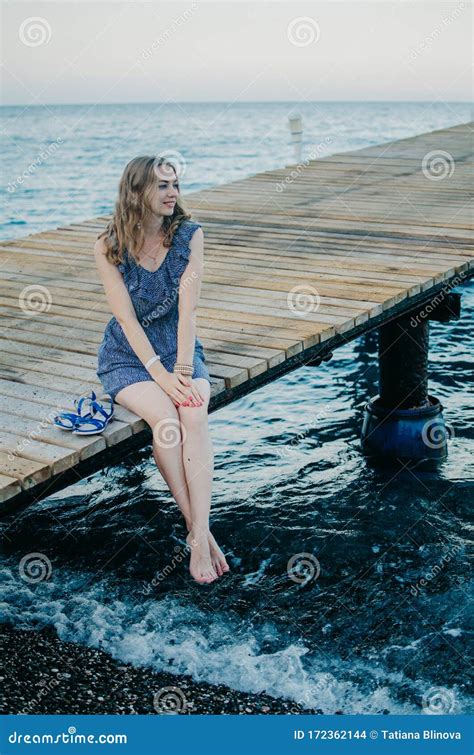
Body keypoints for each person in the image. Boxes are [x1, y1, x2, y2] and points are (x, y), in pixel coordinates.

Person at [94, 155, 229, 584]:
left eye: (175, 184)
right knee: (166, 420)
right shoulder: (109, 246)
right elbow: (128, 321)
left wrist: (182, 370)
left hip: (180, 348)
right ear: (137, 192)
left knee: (193, 410)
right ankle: (200, 535)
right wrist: (159, 375)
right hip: (128, 356)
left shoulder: (190, 235)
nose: (173, 193)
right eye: (162, 186)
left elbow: (188, 311)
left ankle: (200, 531)